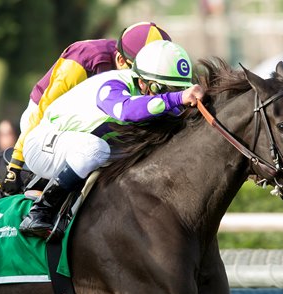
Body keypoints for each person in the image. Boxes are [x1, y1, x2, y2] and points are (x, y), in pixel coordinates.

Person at [18, 40, 204, 239]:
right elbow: (126, 110)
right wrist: (177, 98)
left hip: (79, 149)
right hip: (42, 145)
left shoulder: (147, 89)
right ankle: (41, 210)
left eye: (176, 89)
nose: (171, 97)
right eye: (165, 90)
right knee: (95, 148)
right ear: (142, 82)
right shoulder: (113, 84)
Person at [2, 22, 172, 195]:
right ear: (121, 60)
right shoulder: (84, 59)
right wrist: (15, 165)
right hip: (45, 123)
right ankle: (42, 204)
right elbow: (43, 109)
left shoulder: (130, 61)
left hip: (92, 127)